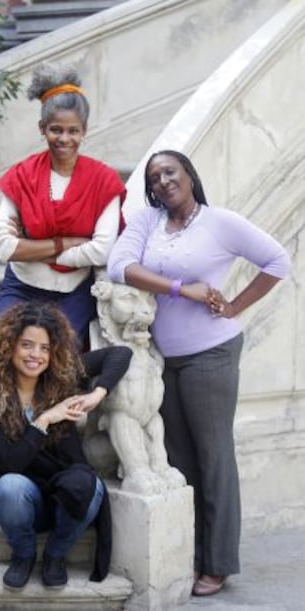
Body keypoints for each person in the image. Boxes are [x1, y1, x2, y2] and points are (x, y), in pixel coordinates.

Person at [107, 150, 291, 597]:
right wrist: (179, 288)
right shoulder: (149, 222)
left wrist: (233, 306)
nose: (163, 181)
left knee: (213, 454)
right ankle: (189, 551)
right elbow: (118, 266)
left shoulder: (219, 222)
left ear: (189, 174)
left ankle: (218, 562)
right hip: (164, 357)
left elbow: (278, 262)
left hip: (212, 351)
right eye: (155, 177)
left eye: (171, 171)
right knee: (178, 456)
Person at [0, 302, 132, 590]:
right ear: (9, 346)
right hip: (24, 500)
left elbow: (121, 354)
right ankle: (23, 554)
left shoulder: (61, 379)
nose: (36, 355)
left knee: (88, 484)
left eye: (44, 348)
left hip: (67, 495)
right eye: (27, 345)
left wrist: (98, 392)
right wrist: (46, 418)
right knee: (10, 486)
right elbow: (10, 464)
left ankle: (55, 554)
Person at [0, 62, 126, 343]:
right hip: (21, 285)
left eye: (73, 131)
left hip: (73, 289)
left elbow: (101, 252)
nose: (64, 139)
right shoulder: (21, 176)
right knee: (5, 347)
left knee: (57, 356)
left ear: (84, 130)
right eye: (56, 129)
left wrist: (29, 248)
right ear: (42, 128)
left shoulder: (103, 180)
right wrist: (66, 243)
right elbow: (6, 248)